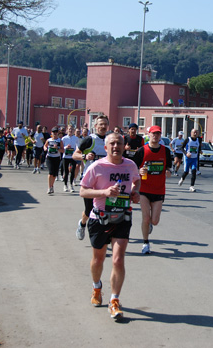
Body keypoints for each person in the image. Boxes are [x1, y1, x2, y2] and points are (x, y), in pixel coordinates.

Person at [79, 132, 141, 320]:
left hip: (122, 216)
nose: (116, 147)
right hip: (100, 218)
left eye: (119, 144)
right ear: (106, 148)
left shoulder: (130, 165)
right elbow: (83, 191)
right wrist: (104, 192)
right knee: (98, 260)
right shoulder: (97, 166)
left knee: (118, 259)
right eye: (112, 144)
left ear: (124, 146)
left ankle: (114, 300)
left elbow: (136, 180)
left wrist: (135, 192)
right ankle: (97, 286)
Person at [132, 125, 173, 254]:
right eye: (153, 134)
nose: (155, 136)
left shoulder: (165, 151)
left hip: (159, 190)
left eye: (158, 134)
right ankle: (145, 243)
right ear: (148, 135)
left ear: (160, 136)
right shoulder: (141, 151)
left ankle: (150, 224)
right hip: (144, 189)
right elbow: (132, 168)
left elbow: (169, 168)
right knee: (145, 217)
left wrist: (168, 172)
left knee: (154, 221)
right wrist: (139, 170)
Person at [73, 115, 109, 240]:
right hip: (89, 181)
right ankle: (82, 224)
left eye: (105, 124)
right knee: (89, 210)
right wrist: (85, 157)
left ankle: (100, 237)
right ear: (95, 126)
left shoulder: (110, 141)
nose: (103, 127)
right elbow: (74, 155)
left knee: (105, 210)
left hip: (105, 181)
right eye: (100, 124)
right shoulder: (89, 140)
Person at [43, 127, 64, 194]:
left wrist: (57, 148)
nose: (55, 134)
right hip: (49, 157)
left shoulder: (59, 141)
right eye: (53, 132)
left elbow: (63, 150)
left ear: (57, 133)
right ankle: (49, 187)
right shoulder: (49, 140)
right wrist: (45, 148)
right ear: (51, 133)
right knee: (50, 172)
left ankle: (52, 185)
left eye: (56, 132)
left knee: (54, 174)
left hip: (57, 158)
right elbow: (45, 146)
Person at [61, 125, 79, 193]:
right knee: (66, 171)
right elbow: (62, 147)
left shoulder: (76, 138)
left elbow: (78, 146)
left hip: (73, 156)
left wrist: (76, 150)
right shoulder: (64, 138)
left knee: (73, 171)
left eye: (71, 129)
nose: (70, 130)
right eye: (69, 129)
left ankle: (71, 185)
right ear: (67, 130)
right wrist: (66, 147)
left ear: (73, 131)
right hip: (65, 156)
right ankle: (65, 185)